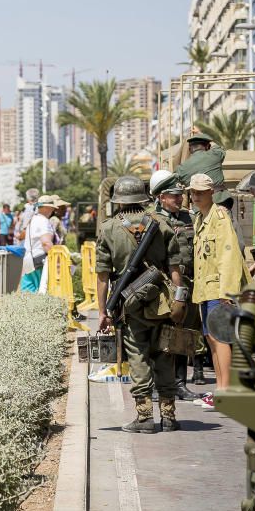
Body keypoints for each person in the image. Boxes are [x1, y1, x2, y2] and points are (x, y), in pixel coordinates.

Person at [96, 176, 183, 433]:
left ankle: (144, 417)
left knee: (138, 357)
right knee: (165, 355)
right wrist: (179, 303)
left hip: (129, 304)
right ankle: (168, 416)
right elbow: (175, 269)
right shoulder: (163, 224)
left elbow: (102, 276)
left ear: (119, 202)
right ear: (144, 199)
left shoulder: (109, 229)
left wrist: (103, 311)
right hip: (163, 303)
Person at [190, 173, 247, 409]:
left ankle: (226, 392)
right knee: (211, 340)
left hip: (219, 289)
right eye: (193, 192)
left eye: (200, 192)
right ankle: (219, 390)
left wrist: (228, 292)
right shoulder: (200, 219)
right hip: (206, 287)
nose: (195, 196)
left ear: (211, 193)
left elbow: (229, 255)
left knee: (220, 338)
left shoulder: (220, 217)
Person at [150, 171, 201, 401]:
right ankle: (155, 383)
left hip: (187, 283)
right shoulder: (152, 220)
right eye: (174, 195)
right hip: (162, 286)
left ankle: (180, 383)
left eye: (180, 195)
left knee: (183, 335)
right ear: (161, 197)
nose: (180, 199)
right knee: (158, 335)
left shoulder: (189, 218)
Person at [20, 196, 56, 292]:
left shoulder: (33, 219)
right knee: (41, 290)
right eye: (52, 208)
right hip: (39, 260)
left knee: (28, 289)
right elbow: (46, 243)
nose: (52, 210)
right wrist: (57, 257)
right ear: (47, 208)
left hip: (28, 259)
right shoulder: (43, 221)